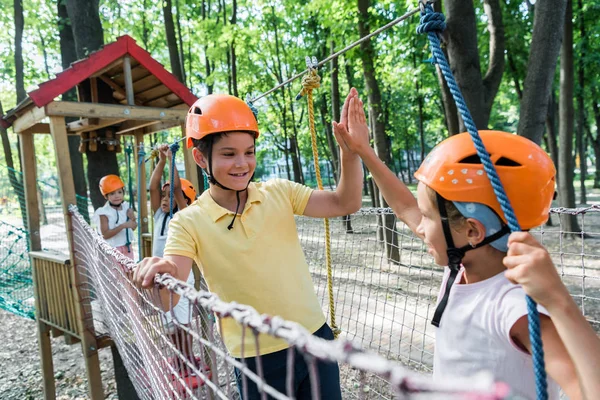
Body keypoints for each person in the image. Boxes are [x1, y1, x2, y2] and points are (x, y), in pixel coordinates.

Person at [332, 89, 581, 399]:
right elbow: (406, 208)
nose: (420, 226)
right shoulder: (461, 265)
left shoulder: (513, 304)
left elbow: (583, 384)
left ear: (473, 231)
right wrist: (364, 151)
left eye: (428, 216)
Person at [133, 92, 363, 399]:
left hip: (314, 340)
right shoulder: (188, 222)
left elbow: (344, 202)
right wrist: (160, 273)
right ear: (201, 157)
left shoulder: (278, 192)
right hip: (256, 357)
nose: (242, 164)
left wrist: (351, 153)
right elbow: (167, 298)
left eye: (249, 152)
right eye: (228, 154)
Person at [504, 232, 600, 399]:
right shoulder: (456, 275)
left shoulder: (518, 308)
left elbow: (583, 390)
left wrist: (556, 299)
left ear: (472, 230)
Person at [148, 143, 208, 387]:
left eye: (169, 196)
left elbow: (175, 190)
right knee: (169, 325)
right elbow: (153, 186)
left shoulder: (182, 215)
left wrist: (172, 158)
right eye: (163, 197)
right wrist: (161, 161)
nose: (164, 199)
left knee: (183, 323)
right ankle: (180, 357)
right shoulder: (160, 215)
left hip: (180, 278)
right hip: (161, 280)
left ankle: (187, 359)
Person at [95, 174, 137, 259]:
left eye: (119, 192)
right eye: (112, 193)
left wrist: (132, 218)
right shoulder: (104, 212)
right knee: (116, 272)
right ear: (106, 196)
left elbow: (133, 227)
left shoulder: (126, 207)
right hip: (112, 249)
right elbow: (105, 235)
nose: (117, 196)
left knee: (129, 271)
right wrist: (123, 226)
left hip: (127, 247)